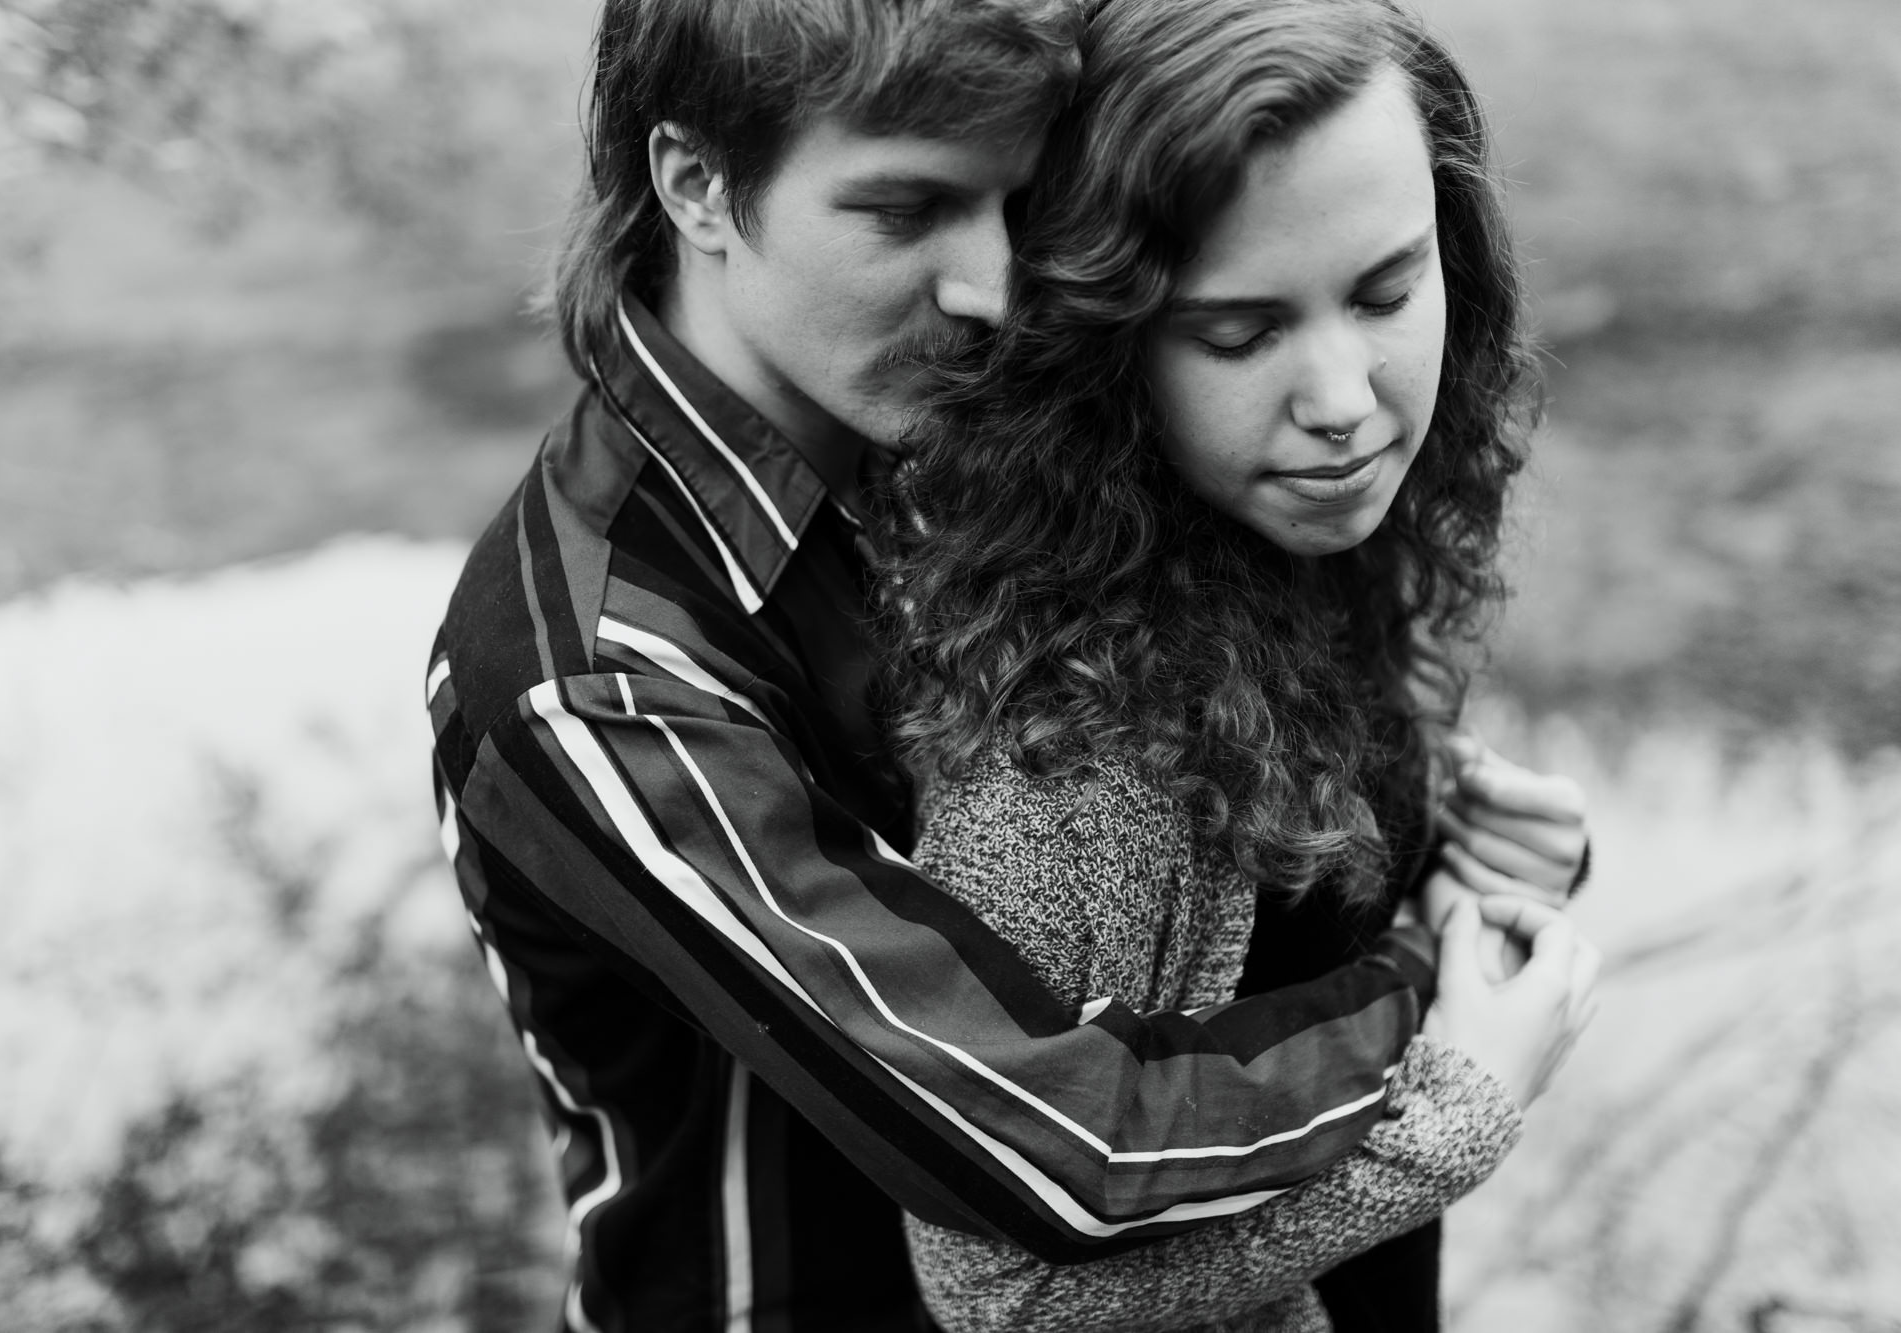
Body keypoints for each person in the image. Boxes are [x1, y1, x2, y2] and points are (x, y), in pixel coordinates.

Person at [423, 1, 1549, 1329]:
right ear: (695, 183)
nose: (993, 285)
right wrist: (1446, 1004)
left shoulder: (928, 412)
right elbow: (1037, 1125)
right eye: (907, 212)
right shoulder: (593, 668)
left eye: (1014, 203)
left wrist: (1410, 809)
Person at [874, 0, 1600, 1327]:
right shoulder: (1065, 764)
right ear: (1104, 352)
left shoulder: (1288, 540)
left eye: (1387, 291)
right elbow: (991, 1289)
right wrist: (1453, 1113)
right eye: (1239, 333)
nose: (1343, 398)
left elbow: (1280, 939)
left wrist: (1438, 848)